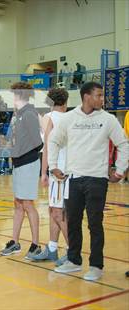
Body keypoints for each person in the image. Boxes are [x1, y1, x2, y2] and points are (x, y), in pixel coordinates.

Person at [50, 82, 128, 281]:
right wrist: (53, 166)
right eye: (99, 95)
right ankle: (74, 261)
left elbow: (123, 144)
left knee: (95, 224)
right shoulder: (69, 118)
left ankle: (96, 266)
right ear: (86, 96)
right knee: (73, 222)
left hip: (97, 180)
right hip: (73, 179)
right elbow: (53, 140)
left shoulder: (108, 119)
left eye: (102, 95)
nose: (102, 99)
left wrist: (119, 170)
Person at [0, 82, 43, 259]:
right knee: (18, 204)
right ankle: (15, 242)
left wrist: (19, 150)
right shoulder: (20, 115)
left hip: (28, 163)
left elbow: (38, 142)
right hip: (19, 163)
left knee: (27, 204)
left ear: (19, 95)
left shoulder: (30, 114)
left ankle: (35, 245)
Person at [33, 88, 69, 265]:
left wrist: (43, 172)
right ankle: (53, 248)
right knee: (54, 211)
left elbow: (47, 148)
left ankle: (73, 252)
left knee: (58, 213)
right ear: (65, 102)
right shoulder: (69, 117)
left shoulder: (50, 118)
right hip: (67, 169)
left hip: (58, 171)